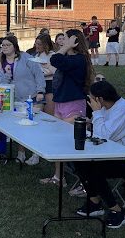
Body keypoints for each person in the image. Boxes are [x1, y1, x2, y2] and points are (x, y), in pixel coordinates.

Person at [75, 81, 125, 229]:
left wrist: (96, 113)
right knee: (79, 161)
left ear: (99, 99)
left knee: (94, 169)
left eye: (91, 98)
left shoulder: (122, 110)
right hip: (119, 154)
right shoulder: (109, 106)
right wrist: (90, 121)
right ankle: (94, 202)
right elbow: (102, 129)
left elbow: (103, 135)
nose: (89, 100)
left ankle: (117, 210)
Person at [40, 29, 93, 186]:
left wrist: (65, 48)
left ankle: (86, 183)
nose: (62, 41)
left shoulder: (78, 60)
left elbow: (55, 59)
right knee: (58, 140)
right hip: (61, 102)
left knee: (74, 142)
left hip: (74, 103)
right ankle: (58, 177)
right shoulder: (69, 58)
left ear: (75, 41)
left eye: (66, 38)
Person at [0, 35, 45, 164]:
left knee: (34, 125)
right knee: (19, 127)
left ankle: (36, 154)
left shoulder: (26, 57)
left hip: (32, 96)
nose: (5, 48)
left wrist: (40, 90)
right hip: (14, 99)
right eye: (3, 46)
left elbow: (38, 73)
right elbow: (1, 84)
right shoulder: (1, 64)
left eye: (8, 45)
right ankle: (21, 153)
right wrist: (7, 75)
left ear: (15, 46)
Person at [34, 34, 57, 117]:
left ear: (45, 45)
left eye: (39, 44)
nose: (37, 46)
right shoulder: (37, 55)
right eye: (36, 43)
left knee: (49, 111)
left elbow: (55, 71)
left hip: (49, 83)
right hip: (38, 85)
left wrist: (42, 74)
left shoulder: (52, 55)